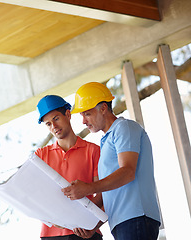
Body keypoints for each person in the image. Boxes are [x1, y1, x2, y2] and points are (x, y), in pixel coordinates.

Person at [62, 82, 161, 240]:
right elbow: (109, 194)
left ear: (103, 108)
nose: (83, 121)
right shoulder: (106, 141)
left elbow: (127, 172)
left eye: (87, 114)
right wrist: (93, 226)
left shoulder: (124, 128)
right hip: (123, 223)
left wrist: (87, 188)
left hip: (135, 219)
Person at [35, 95, 103, 240]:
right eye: (48, 124)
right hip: (51, 235)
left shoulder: (93, 151)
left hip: (86, 232)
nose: (54, 127)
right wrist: (53, 218)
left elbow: (105, 193)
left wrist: (89, 223)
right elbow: (34, 195)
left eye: (56, 119)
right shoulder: (40, 156)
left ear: (68, 114)